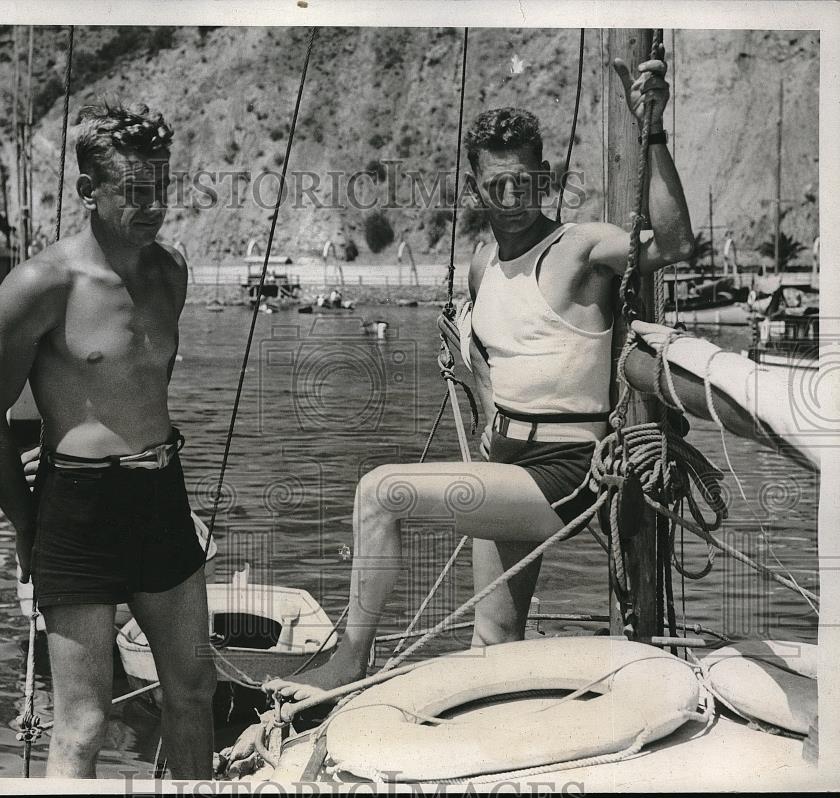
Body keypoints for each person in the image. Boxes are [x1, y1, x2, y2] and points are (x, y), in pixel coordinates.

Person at [267, 45, 693, 701]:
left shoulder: (578, 247)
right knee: (490, 644)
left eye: (524, 183)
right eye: (497, 186)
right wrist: (470, 378)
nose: (512, 198)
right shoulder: (481, 263)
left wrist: (653, 127)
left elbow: (671, 243)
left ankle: (348, 663)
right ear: (476, 187)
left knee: (379, 492)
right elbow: (510, 369)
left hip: (567, 473)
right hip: (505, 459)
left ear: (544, 178)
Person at [0, 102, 216, 778]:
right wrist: (25, 524)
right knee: (83, 724)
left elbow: (144, 394)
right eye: (134, 192)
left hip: (163, 497)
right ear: (87, 192)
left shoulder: (171, 273)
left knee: (194, 696)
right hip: (76, 509)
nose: (154, 205)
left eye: (161, 186)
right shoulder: (41, 284)